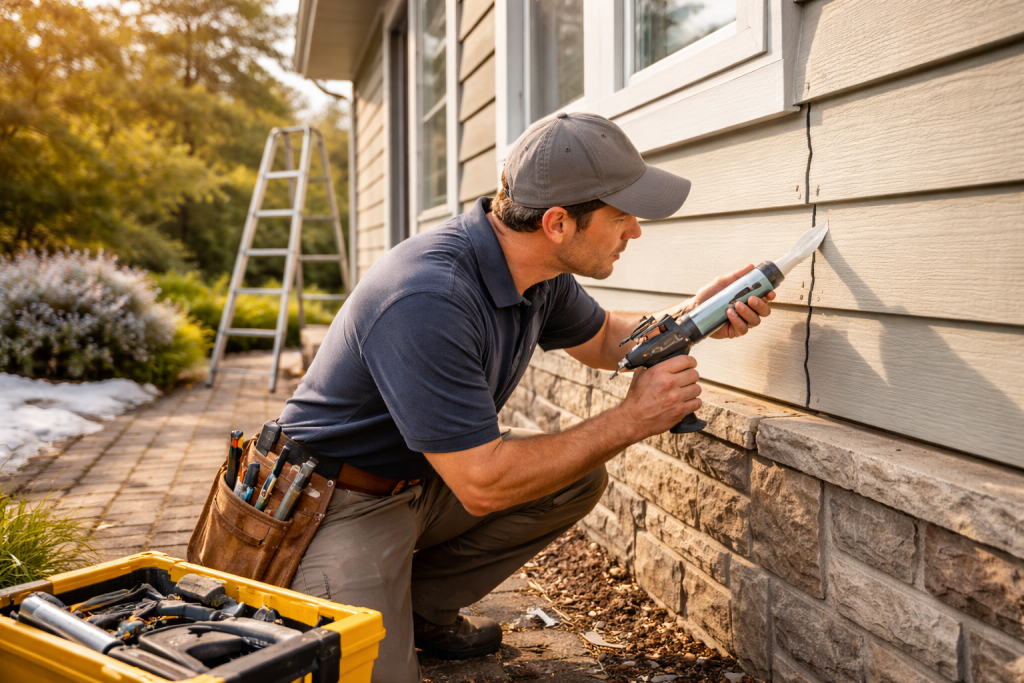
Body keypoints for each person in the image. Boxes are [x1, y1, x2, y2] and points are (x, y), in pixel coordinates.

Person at [276, 112, 775, 681]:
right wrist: (632, 418)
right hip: (334, 503)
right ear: (559, 223)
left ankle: (421, 609)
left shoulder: (537, 270)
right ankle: (356, 597)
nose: (634, 230)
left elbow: (607, 338)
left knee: (573, 477)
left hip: (422, 480)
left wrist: (694, 319)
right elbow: (483, 484)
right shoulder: (429, 296)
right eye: (622, 215)